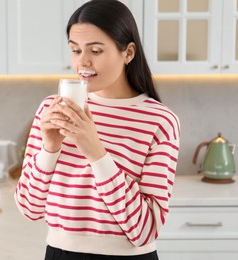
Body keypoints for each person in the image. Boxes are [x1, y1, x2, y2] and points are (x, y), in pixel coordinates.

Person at [14, 0, 180, 259]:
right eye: (75, 50)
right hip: (60, 253)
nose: (83, 63)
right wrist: (50, 148)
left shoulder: (159, 121)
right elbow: (29, 208)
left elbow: (145, 231)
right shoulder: (52, 109)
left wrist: (96, 153)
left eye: (96, 51)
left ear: (128, 53)